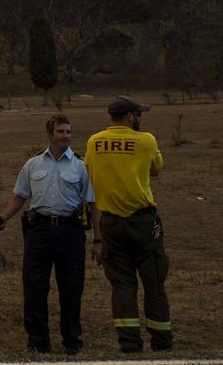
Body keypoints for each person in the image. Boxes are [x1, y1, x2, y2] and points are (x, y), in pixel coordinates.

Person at [0, 114, 95, 354]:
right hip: (39, 232)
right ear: (50, 135)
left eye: (68, 132)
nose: (66, 136)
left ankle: (72, 341)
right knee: (35, 287)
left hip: (70, 231)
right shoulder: (33, 164)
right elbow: (20, 196)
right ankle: (38, 343)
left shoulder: (80, 165)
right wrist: (3, 218)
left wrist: (98, 239)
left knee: (71, 288)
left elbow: (92, 203)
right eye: (61, 132)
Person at [85, 96, 171, 352]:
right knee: (154, 282)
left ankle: (130, 343)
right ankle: (162, 342)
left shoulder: (94, 141)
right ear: (130, 116)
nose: (141, 119)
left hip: (110, 222)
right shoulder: (146, 140)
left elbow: (89, 169)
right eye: (139, 115)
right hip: (143, 223)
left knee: (122, 284)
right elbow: (156, 169)